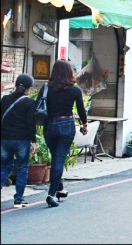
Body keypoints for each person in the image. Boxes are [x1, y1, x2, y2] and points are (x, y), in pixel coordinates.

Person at [38, 60, 88, 208]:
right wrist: (85, 125)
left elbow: (38, 106)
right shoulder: (74, 90)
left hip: (49, 126)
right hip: (66, 125)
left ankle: (60, 189)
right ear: (69, 72)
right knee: (59, 160)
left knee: (56, 158)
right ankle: (51, 194)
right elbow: (81, 110)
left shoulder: (46, 88)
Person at [1, 74, 38, 208]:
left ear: (15, 85)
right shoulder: (30, 103)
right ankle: (19, 199)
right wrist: (33, 141)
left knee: (4, 167)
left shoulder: (4, 99)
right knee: (22, 168)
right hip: (22, 140)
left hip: (4, 139)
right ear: (29, 89)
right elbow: (30, 124)